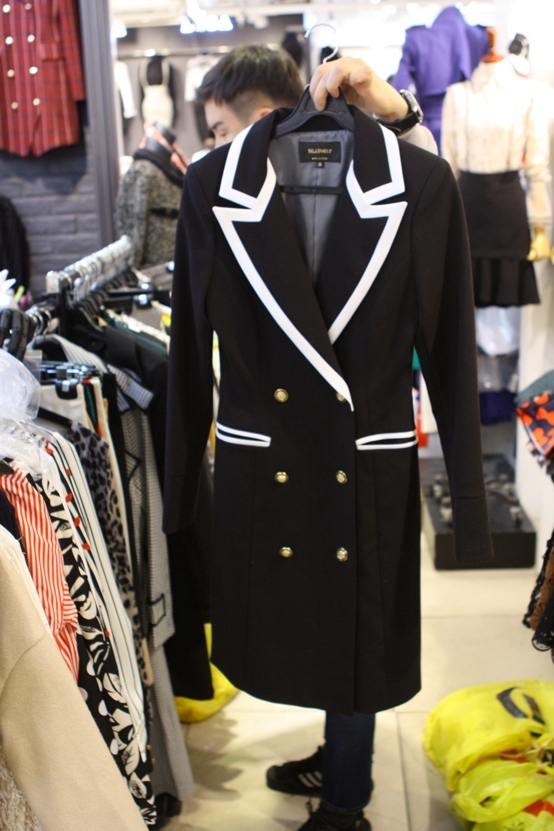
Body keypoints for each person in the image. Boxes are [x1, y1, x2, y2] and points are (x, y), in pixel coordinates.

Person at [194, 45, 436, 831]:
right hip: (278, 446)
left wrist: (398, 112)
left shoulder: (398, 174)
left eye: (219, 128)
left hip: (358, 449)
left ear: (264, 117)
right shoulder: (219, 190)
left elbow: (432, 211)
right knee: (324, 618)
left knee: (354, 614)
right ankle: (341, 762)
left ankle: (345, 802)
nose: (214, 145)